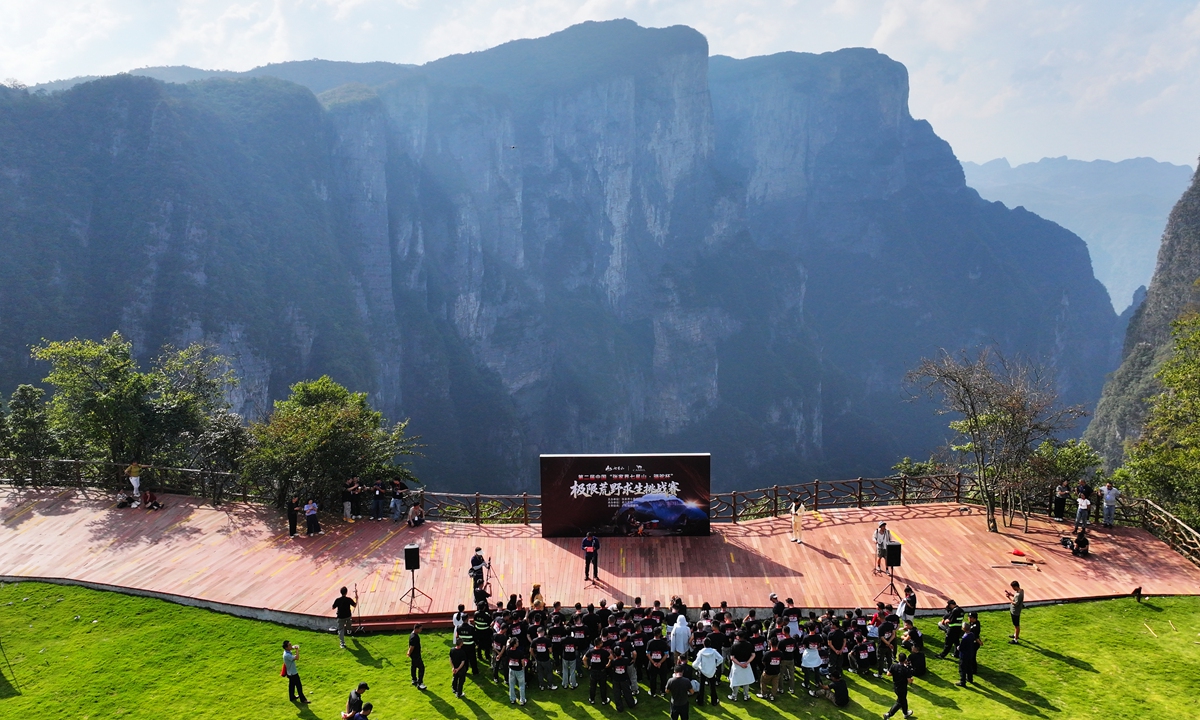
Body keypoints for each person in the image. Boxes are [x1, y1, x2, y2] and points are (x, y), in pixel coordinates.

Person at [882, 652, 914, 719]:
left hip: (896, 687)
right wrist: (911, 680)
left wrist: (895, 674)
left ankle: (905, 713)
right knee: (900, 702)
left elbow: (888, 674)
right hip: (902, 688)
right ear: (905, 660)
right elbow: (909, 681)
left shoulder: (894, 666)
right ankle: (888, 714)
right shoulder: (906, 669)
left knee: (903, 700)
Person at [692, 636, 722, 705]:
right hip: (712, 671)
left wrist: (698, 667)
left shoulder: (701, 652)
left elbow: (695, 664)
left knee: (702, 686)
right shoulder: (714, 651)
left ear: (703, 644)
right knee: (712, 686)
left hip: (703, 671)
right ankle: (714, 701)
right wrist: (715, 665)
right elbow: (721, 659)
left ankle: (700, 701)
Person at [728, 632, 755, 701]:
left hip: (737, 665)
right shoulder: (749, 645)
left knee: (736, 681)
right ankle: (746, 695)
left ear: (738, 637)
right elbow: (753, 655)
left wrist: (740, 664)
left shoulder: (734, 646)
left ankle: (734, 696)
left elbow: (732, 658)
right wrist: (747, 663)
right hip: (746, 665)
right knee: (746, 680)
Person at [585, 639, 611, 705]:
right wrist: (608, 664)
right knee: (603, 686)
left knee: (592, 686)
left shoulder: (590, 651)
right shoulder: (604, 652)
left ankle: (592, 699)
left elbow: (584, 659)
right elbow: (611, 658)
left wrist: (587, 667)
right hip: (602, 671)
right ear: (600, 644)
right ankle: (604, 700)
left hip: (593, 671)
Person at [505, 637, 528, 705]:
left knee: (511, 685)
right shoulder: (519, 652)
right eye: (517, 642)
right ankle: (522, 700)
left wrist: (509, 640)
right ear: (515, 644)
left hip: (511, 669)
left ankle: (512, 699)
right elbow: (522, 661)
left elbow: (507, 644)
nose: (518, 642)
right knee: (521, 685)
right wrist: (523, 666)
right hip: (519, 670)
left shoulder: (508, 650)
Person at [408, 623, 427, 689]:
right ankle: (420, 683)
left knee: (413, 666)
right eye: (420, 629)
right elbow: (412, 647)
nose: (421, 630)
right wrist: (409, 652)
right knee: (421, 668)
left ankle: (414, 679)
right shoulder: (414, 637)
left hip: (414, 655)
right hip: (416, 655)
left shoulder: (412, 634)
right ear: (416, 629)